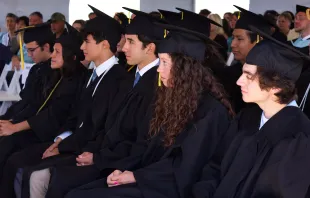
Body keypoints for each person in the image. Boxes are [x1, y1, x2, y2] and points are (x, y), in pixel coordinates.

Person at [65, 22, 234, 198]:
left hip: (171, 188)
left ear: (186, 69)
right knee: (80, 191)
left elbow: (186, 167)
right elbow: (149, 148)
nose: (159, 70)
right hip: (150, 178)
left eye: (165, 62)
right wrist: (125, 170)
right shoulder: (175, 99)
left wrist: (135, 175)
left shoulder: (210, 111)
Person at [23, 6, 165, 198]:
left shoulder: (147, 85)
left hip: (121, 162)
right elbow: (109, 127)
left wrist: (98, 157)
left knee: (58, 181)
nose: (123, 48)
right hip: (104, 152)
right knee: (35, 170)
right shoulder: (131, 79)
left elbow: (135, 138)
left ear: (150, 47)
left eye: (130, 42)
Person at [2, 7, 129, 198]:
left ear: (104, 45)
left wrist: (63, 146)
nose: (82, 47)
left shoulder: (118, 79)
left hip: (91, 151)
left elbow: (102, 127)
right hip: (73, 142)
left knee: (36, 173)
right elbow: (76, 117)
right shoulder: (92, 75)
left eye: (86, 42)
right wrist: (61, 140)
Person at [192, 25, 310, 198]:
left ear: (275, 86)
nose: (239, 81)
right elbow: (215, 167)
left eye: (248, 75)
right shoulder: (247, 118)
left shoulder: (299, 138)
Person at [0, 22, 88, 197]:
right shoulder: (59, 73)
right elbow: (32, 104)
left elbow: (52, 114)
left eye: (56, 52)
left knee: (12, 155)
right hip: (43, 129)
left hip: (55, 135)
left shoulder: (74, 79)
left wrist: (15, 126)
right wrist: (9, 121)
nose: (52, 57)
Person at [218, 5, 272, 114]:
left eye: (240, 39)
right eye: (233, 38)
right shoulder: (227, 74)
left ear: (258, 41)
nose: (233, 44)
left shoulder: (270, 79)